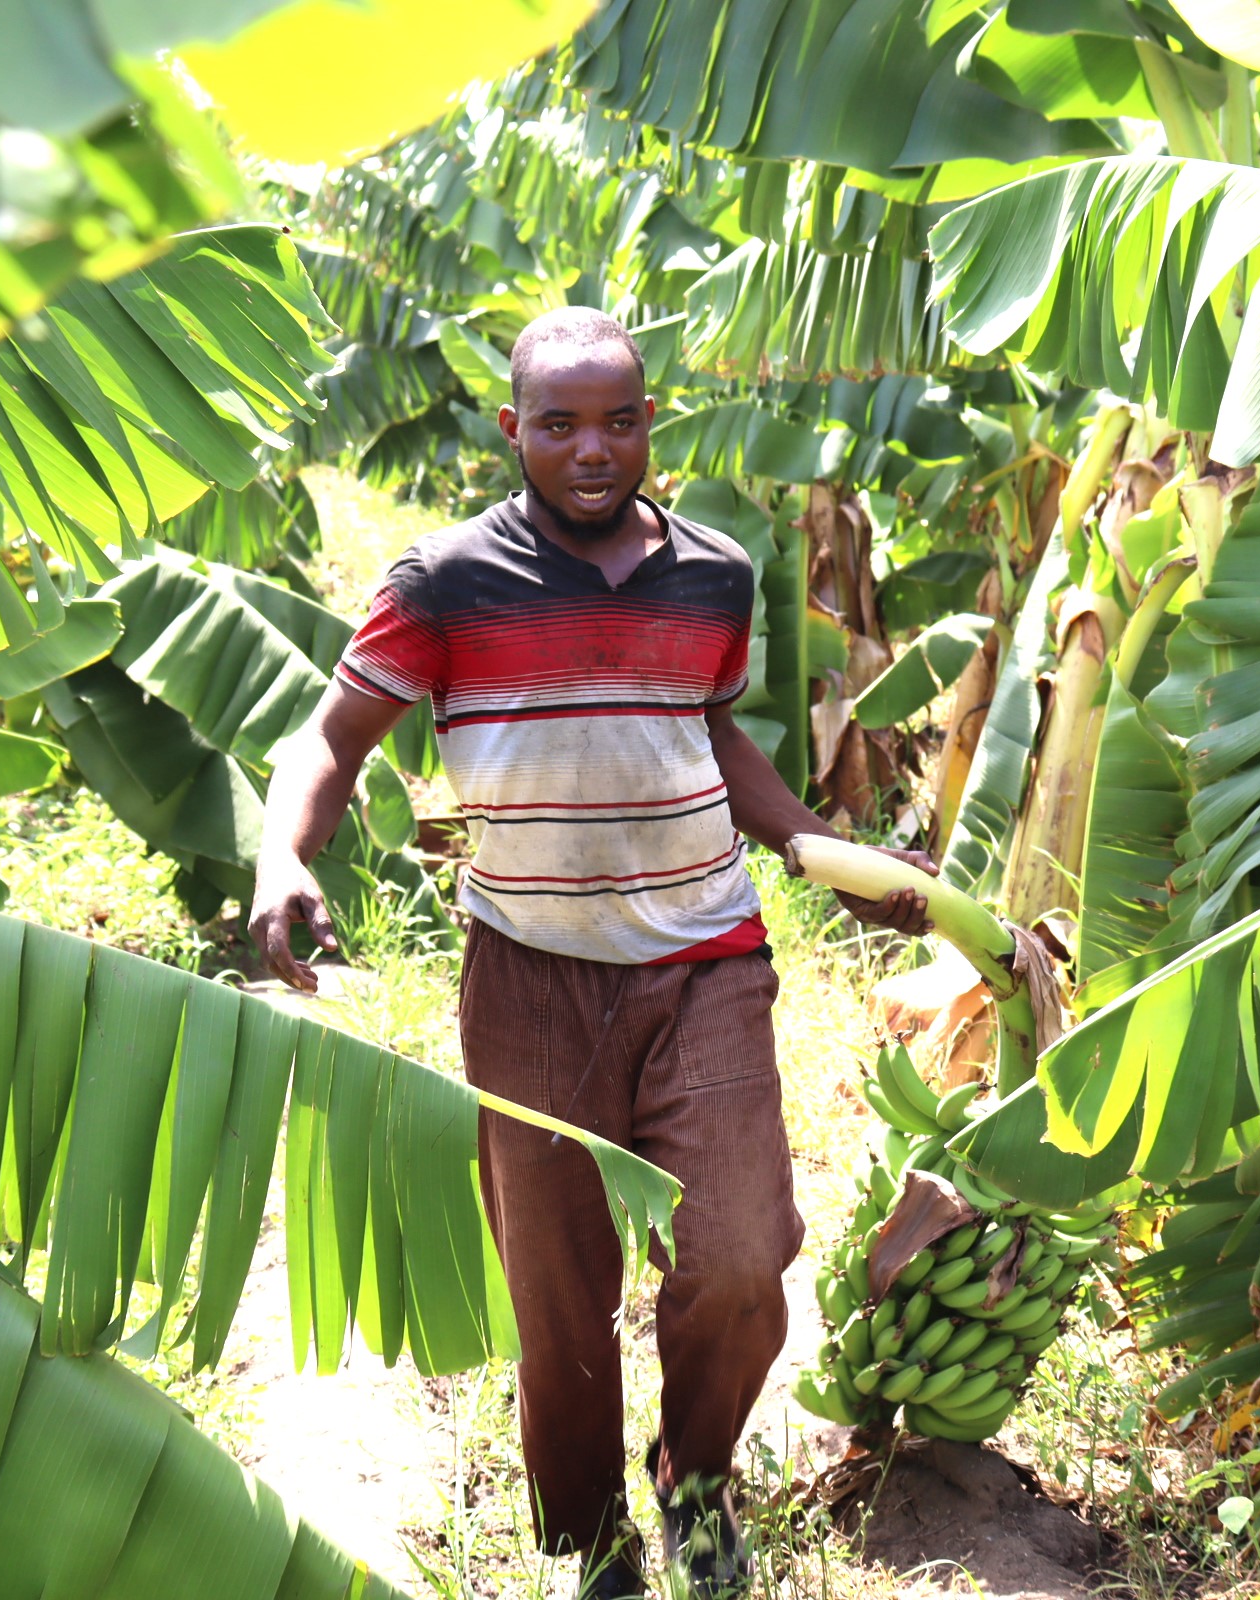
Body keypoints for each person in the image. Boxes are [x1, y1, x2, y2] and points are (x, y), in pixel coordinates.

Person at [250, 307, 932, 1600]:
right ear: (514, 431)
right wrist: (288, 854)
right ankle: (590, 1538)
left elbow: (712, 731)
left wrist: (812, 851)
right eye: (558, 425)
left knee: (738, 1253)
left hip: (703, 958)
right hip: (530, 969)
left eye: (618, 420)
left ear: (648, 426)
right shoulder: (445, 582)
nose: (591, 449)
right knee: (561, 1293)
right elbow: (327, 740)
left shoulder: (715, 573)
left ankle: (697, 1474)